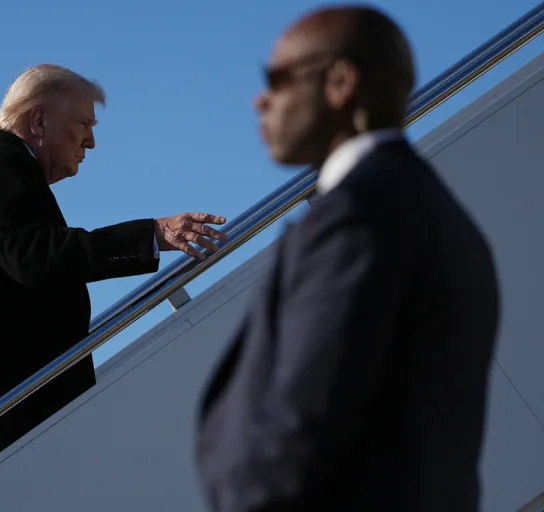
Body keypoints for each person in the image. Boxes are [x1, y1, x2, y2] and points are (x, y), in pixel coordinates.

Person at [0, 64, 229, 512]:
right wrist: (150, 234)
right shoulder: (1, 166)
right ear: (38, 121)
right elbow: (38, 256)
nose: (91, 142)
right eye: (83, 124)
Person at [195, 6, 499, 511]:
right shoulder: (440, 214)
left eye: (277, 79)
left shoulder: (360, 216)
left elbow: (298, 430)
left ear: (340, 83)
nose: (260, 99)